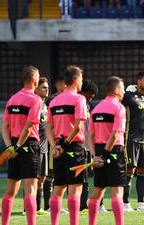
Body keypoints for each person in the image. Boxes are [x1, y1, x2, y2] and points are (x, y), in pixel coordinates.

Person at [1, 66, 43, 225]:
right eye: (38, 76)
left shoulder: (12, 99)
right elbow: (29, 126)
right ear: (34, 80)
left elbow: (4, 126)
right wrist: (18, 145)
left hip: (13, 147)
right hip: (28, 145)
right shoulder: (35, 99)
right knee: (31, 191)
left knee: (10, 191)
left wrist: (9, 147)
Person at [46, 65, 87, 225]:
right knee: (75, 190)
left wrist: (55, 145)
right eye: (81, 79)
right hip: (74, 147)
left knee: (58, 188)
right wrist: (65, 143)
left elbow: (48, 127)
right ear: (76, 81)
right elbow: (77, 126)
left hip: (57, 148)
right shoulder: (79, 99)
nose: (82, 83)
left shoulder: (54, 101)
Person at [87, 76, 126, 225]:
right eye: (122, 89)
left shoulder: (96, 109)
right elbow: (115, 134)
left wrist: (95, 155)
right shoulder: (119, 108)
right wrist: (104, 155)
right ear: (116, 90)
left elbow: (90, 136)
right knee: (117, 193)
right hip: (114, 151)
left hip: (98, 151)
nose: (123, 92)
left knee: (97, 191)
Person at [121, 71, 144, 211]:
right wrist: (128, 89)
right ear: (138, 81)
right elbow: (117, 100)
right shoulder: (128, 96)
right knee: (130, 169)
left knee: (143, 170)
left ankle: (141, 203)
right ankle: (125, 203)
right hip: (131, 139)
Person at [44, 74, 68, 214]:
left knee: (58, 174)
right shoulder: (52, 100)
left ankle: (53, 205)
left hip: (63, 142)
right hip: (54, 141)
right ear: (59, 84)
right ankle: (49, 205)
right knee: (52, 173)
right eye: (65, 84)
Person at [79, 79, 102, 213]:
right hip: (77, 145)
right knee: (78, 178)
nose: (91, 97)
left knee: (85, 177)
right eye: (89, 94)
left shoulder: (89, 106)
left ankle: (83, 205)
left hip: (87, 146)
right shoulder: (76, 103)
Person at [33, 77, 50, 215]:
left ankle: (38, 208)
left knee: (42, 178)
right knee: (32, 179)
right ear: (36, 88)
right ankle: (29, 208)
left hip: (44, 147)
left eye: (47, 87)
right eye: (44, 87)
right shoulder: (34, 103)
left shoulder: (45, 105)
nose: (47, 89)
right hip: (34, 146)